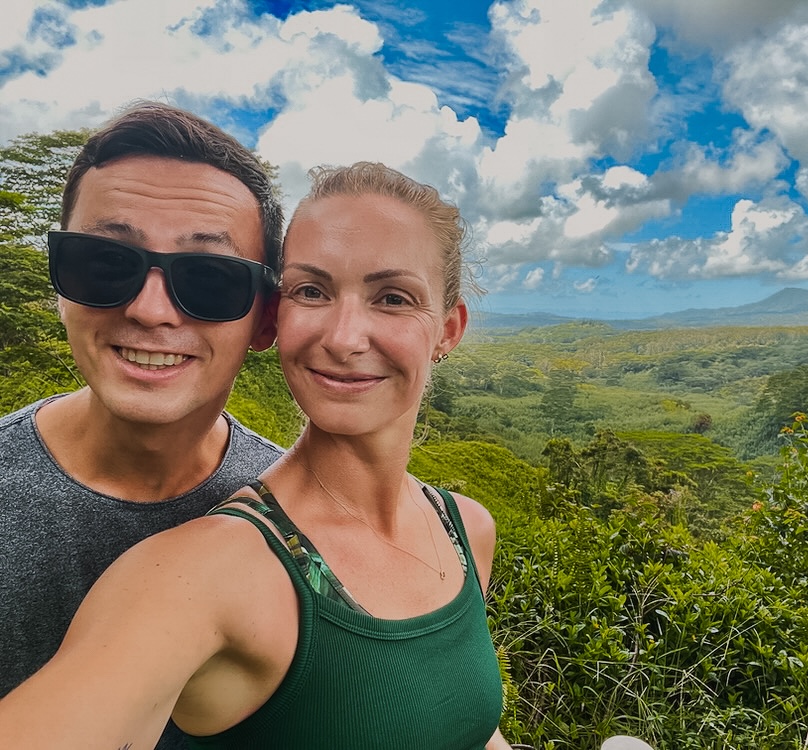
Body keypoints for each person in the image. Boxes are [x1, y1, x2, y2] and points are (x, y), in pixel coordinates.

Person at [0, 162, 513, 749]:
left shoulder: (464, 528)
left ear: (448, 330)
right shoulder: (203, 570)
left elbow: (456, 720)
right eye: (312, 291)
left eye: (392, 298)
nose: (345, 337)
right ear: (275, 315)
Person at [0, 102, 284, 749]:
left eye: (209, 279)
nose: (150, 309)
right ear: (59, 281)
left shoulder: (300, 518)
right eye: (105, 264)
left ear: (266, 319)